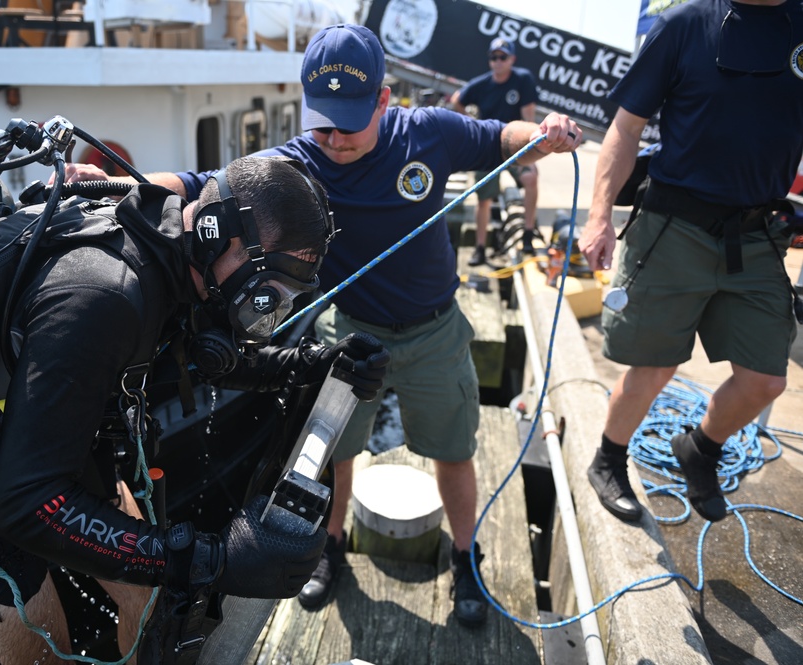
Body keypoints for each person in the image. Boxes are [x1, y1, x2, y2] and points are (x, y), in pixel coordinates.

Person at [66, 23, 582, 627]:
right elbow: (200, 182)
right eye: (323, 120)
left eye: (350, 121)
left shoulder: (430, 133)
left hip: (434, 327)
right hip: (351, 328)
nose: (334, 138)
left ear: (385, 101)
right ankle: (329, 547)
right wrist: (114, 184)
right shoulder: (298, 158)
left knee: (453, 451)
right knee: (338, 452)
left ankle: (466, 558)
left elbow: (501, 137)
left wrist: (543, 136)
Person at [0, 155, 390, 663]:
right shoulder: (103, 298)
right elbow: (28, 504)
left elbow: (200, 358)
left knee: (152, 601)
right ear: (216, 234)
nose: (272, 307)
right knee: (43, 655)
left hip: (60, 441)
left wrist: (311, 362)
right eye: (272, 289)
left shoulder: (173, 249)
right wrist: (212, 559)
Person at [579, 0, 803, 524]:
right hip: (673, 225)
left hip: (757, 232)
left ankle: (700, 448)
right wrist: (599, 217)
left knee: (765, 381)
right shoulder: (683, 24)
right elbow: (625, 128)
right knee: (655, 365)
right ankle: (607, 459)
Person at [449, 37, 541, 266]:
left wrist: (532, 151)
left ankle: (529, 234)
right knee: (484, 198)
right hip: (489, 145)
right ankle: (480, 248)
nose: (498, 61)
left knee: (531, 178)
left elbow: (529, 115)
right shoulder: (480, 84)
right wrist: (470, 123)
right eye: (494, 57)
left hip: (516, 145)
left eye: (503, 57)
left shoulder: (523, 80)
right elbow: (456, 100)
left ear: (512, 59)